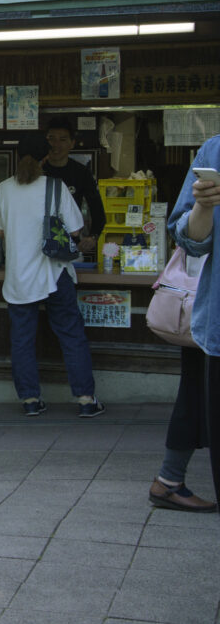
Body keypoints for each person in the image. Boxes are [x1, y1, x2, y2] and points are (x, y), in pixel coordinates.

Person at [0, 135, 104, 418]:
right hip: (55, 273)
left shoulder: (3, 189)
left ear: (17, 156)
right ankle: (86, 399)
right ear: (44, 157)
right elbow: (75, 231)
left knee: (22, 338)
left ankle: (30, 400)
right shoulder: (55, 186)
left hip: (18, 276)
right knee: (71, 335)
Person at [167, 135, 220, 510]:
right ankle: (169, 477)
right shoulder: (215, 150)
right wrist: (204, 207)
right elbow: (190, 239)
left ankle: (169, 477)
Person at [149, 345, 215, 512]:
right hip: (207, 334)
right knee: (194, 394)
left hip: (203, 334)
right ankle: (169, 480)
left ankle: (169, 479)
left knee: (193, 392)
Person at [43, 117, 105, 254]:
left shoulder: (81, 172)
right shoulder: (38, 172)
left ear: (72, 143)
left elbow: (97, 210)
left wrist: (93, 237)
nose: (56, 144)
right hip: (38, 245)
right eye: (51, 139)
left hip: (71, 246)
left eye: (63, 140)